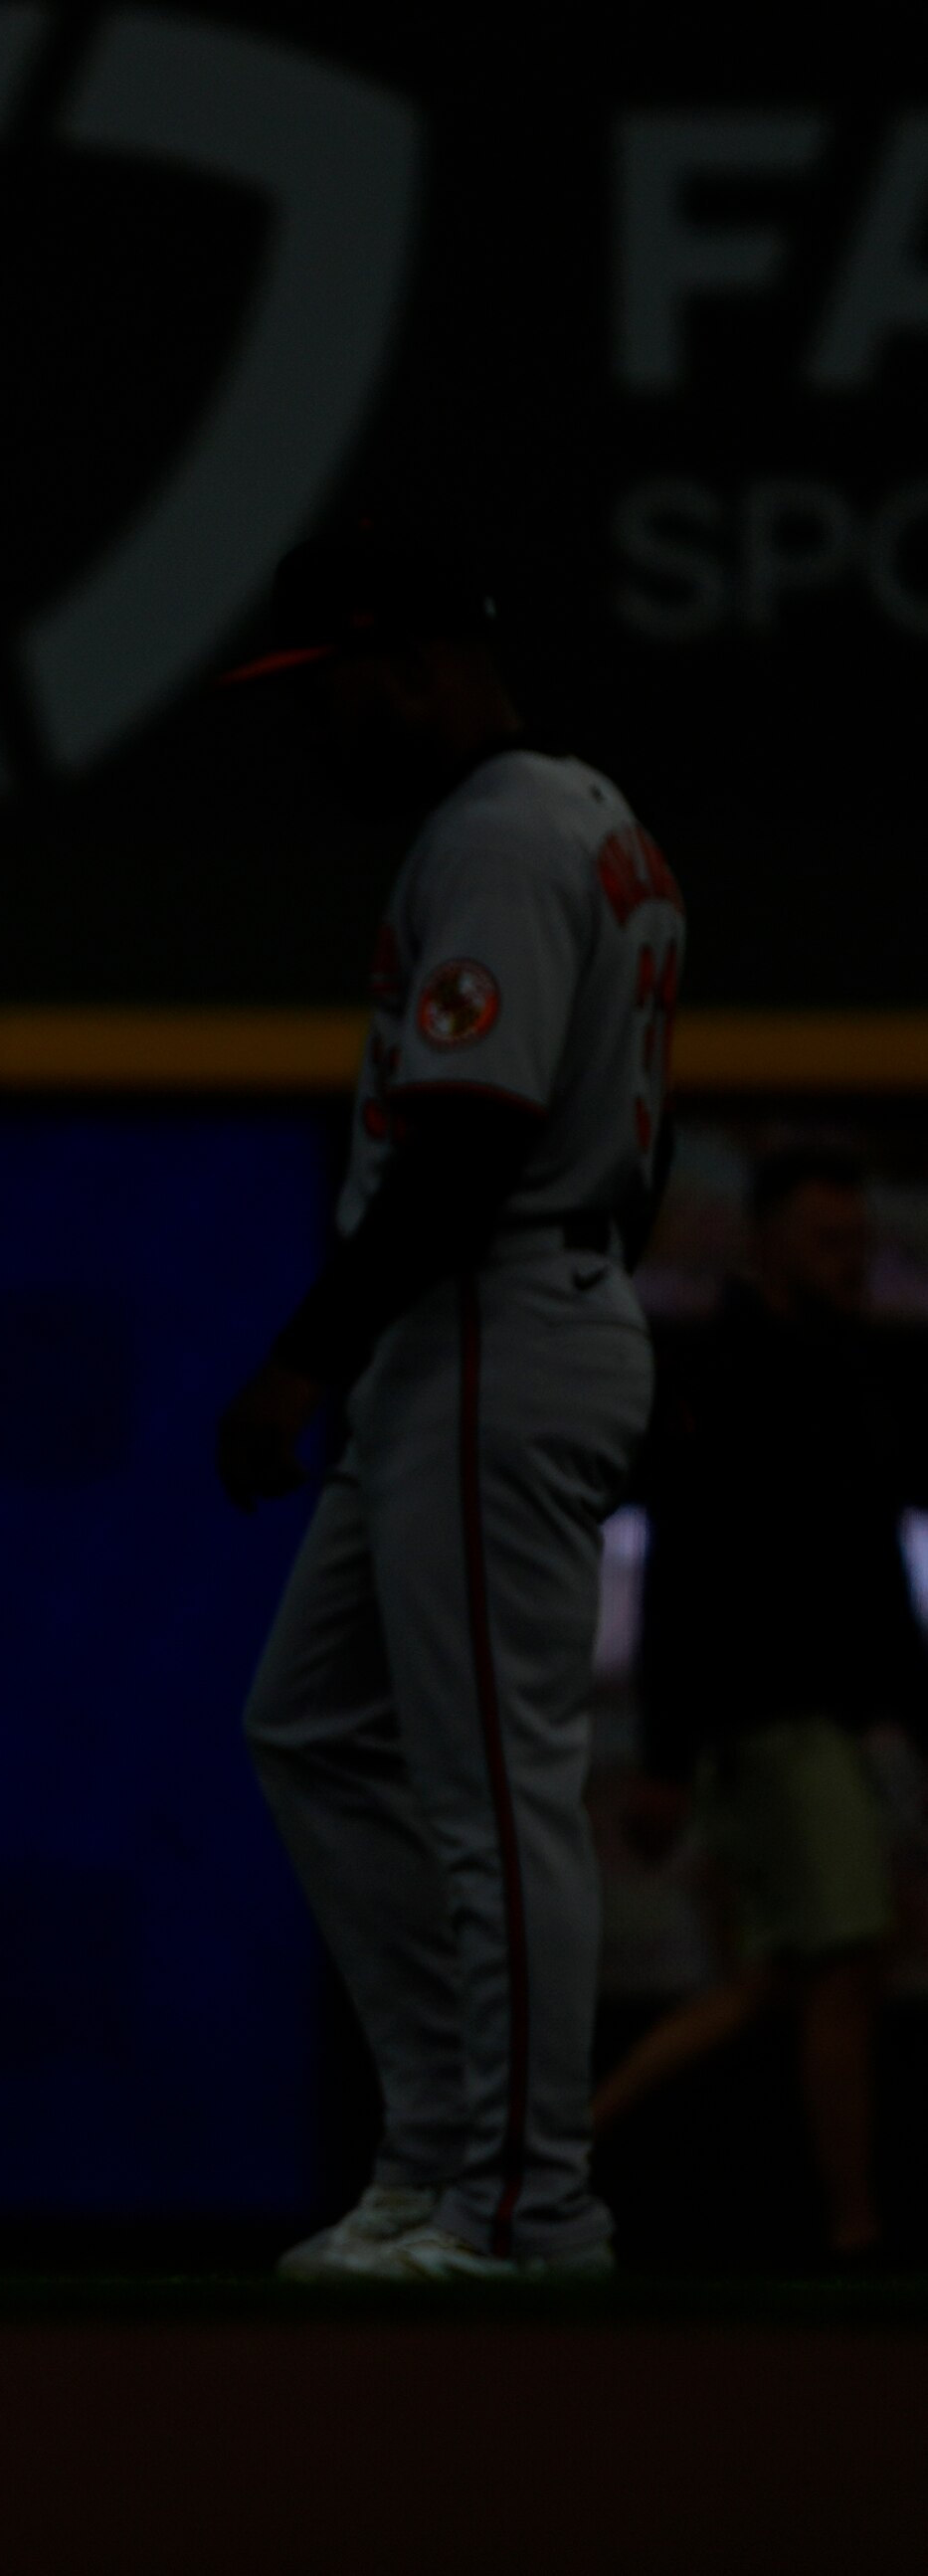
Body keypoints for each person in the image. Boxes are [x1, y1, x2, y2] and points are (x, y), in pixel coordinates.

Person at [215, 526, 682, 2282]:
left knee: (494, 1792)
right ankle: (440, 2157)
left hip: (493, 1313)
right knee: (313, 1727)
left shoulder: (493, 831)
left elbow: (472, 1134)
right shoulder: (585, 815)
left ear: (406, 664)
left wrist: (302, 1356)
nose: (321, 727)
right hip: (507, 1311)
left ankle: (521, 2201)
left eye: (330, 689)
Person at [595, 1145, 922, 2258]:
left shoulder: (841, 1367)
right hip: (770, 1726)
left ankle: (556, 2150)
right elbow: (686, 1566)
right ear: (768, 1242)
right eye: (829, 1241)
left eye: (860, 1242)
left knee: (788, 1978)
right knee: (844, 1965)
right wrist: (667, 1756)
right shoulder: (730, 1372)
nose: (853, 1261)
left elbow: (871, 1578)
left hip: (807, 1722)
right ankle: (854, 2229)